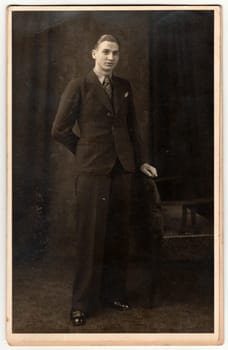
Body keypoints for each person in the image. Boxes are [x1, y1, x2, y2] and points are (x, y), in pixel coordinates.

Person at [52, 34, 158, 326]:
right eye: (106, 52)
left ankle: (113, 294)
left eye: (116, 53)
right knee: (90, 239)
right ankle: (81, 304)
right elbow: (59, 129)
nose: (111, 57)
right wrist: (84, 152)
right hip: (92, 173)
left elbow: (132, 127)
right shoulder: (79, 86)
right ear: (94, 54)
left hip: (123, 171)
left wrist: (142, 161)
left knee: (117, 236)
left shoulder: (124, 86)